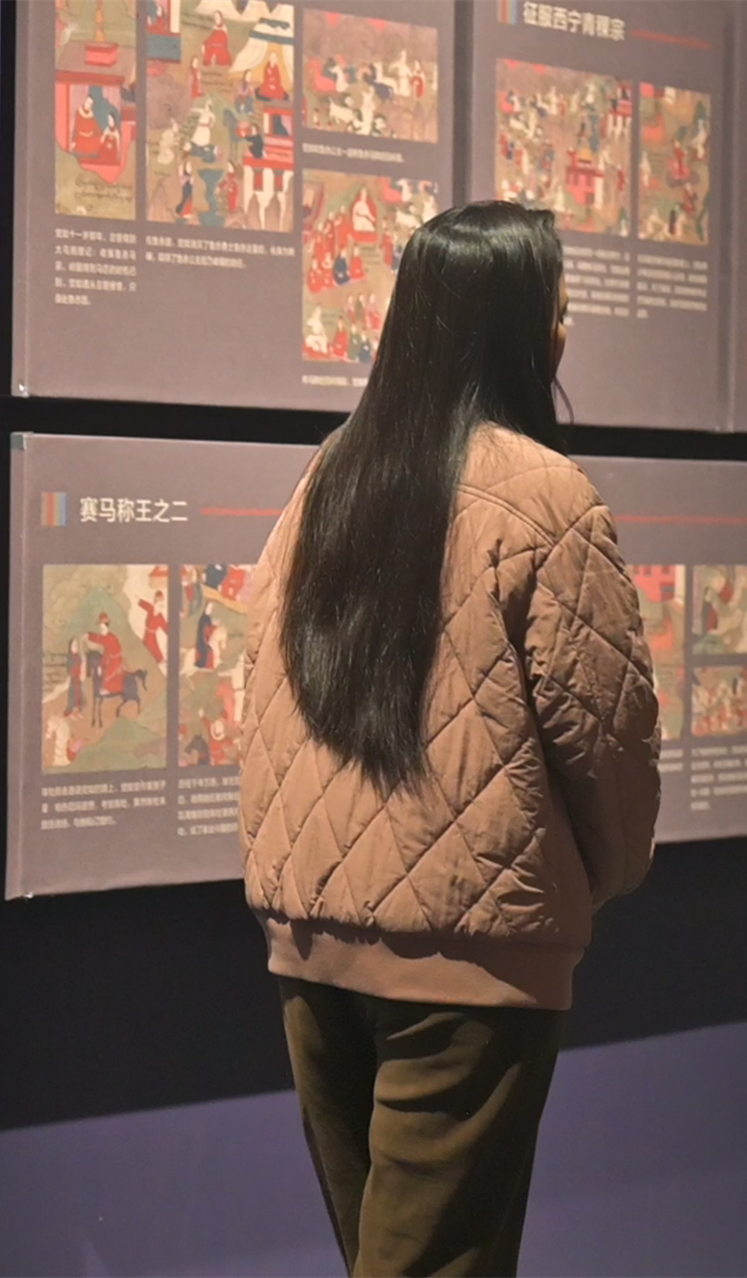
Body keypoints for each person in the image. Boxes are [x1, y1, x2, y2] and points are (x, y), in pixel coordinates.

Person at [238, 201, 661, 1278]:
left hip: (312, 941)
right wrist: (597, 878)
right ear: (518, 328)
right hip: (469, 956)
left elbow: (260, 688)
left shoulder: (331, 474)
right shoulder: (546, 493)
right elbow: (606, 734)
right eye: (556, 307)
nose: (566, 329)